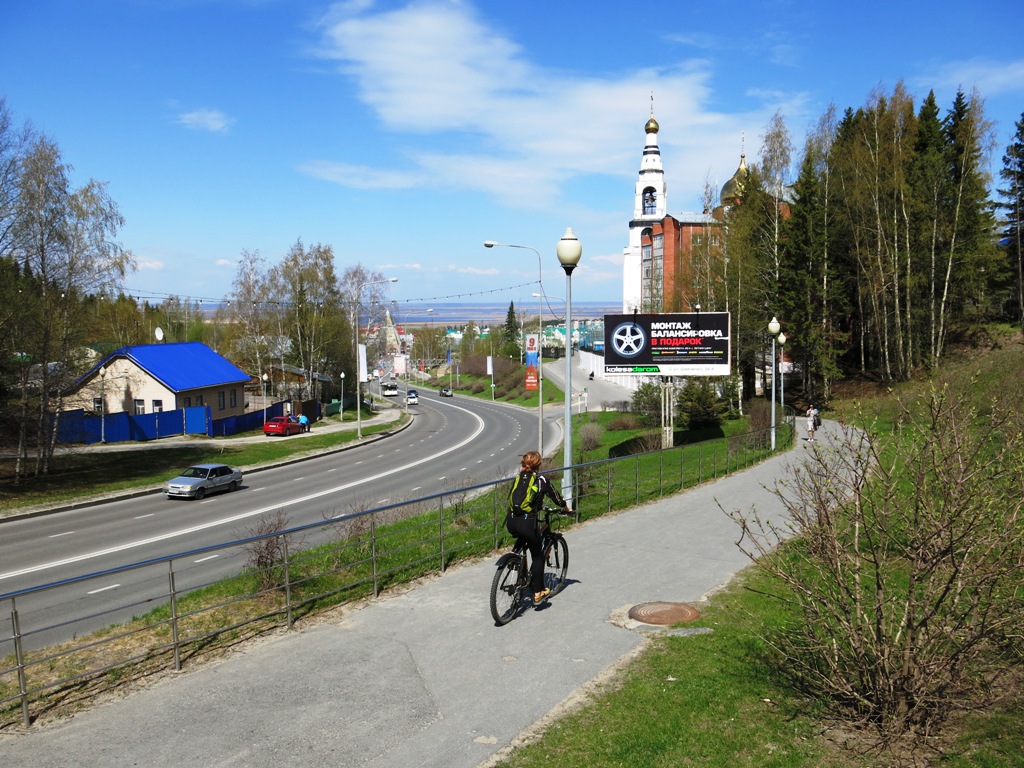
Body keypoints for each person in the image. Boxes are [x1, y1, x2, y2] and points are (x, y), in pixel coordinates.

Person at [505, 451, 571, 605]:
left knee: (524, 540)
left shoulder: (518, 479)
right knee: (537, 555)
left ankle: (516, 559)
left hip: (512, 521)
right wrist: (566, 508)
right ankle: (538, 592)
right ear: (538, 464)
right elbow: (556, 497)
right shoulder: (541, 480)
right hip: (528, 522)